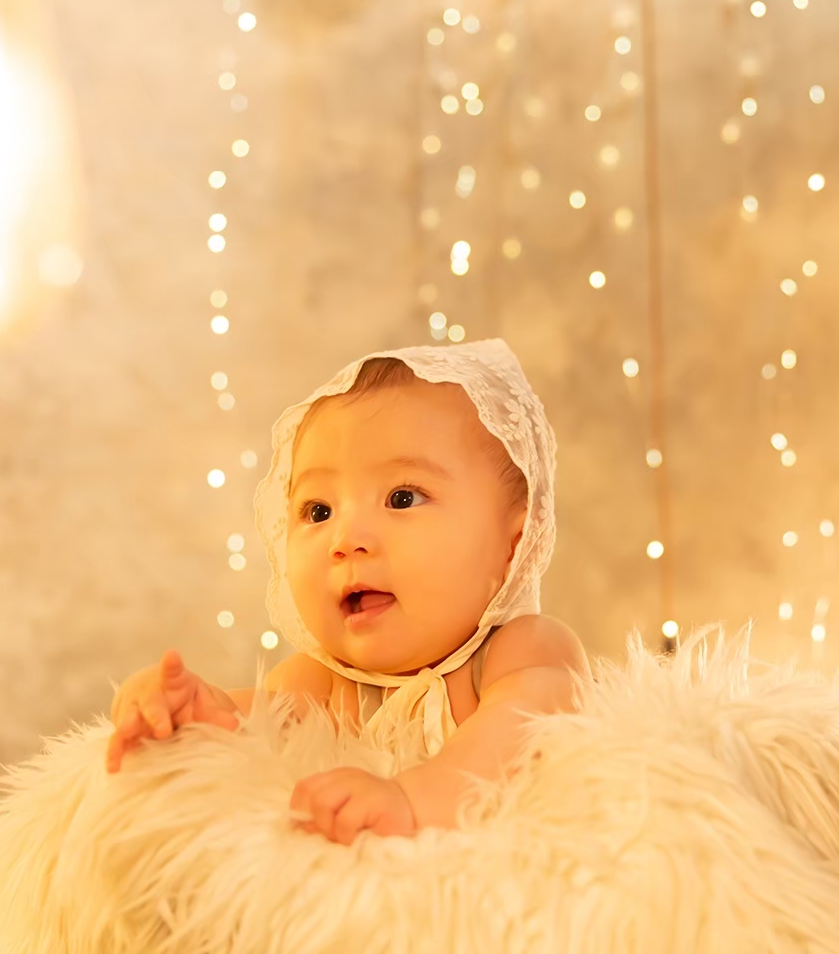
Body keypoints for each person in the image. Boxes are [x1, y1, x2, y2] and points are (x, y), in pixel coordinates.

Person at [105, 340, 588, 846]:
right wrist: (186, 712)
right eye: (318, 511)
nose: (346, 540)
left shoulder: (521, 651)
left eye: (402, 498)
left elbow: (523, 725)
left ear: (513, 546)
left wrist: (412, 800)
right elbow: (243, 730)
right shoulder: (322, 684)